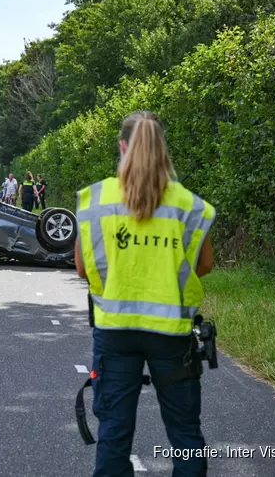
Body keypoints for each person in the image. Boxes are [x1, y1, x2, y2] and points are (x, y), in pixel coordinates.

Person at [75, 111, 215, 477]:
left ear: (123, 147)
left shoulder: (96, 199)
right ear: (161, 149)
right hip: (171, 336)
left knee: (115, 435)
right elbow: (204, 265)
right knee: (185, 436)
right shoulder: (188, 204)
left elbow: (82, 268)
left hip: (115, 332)